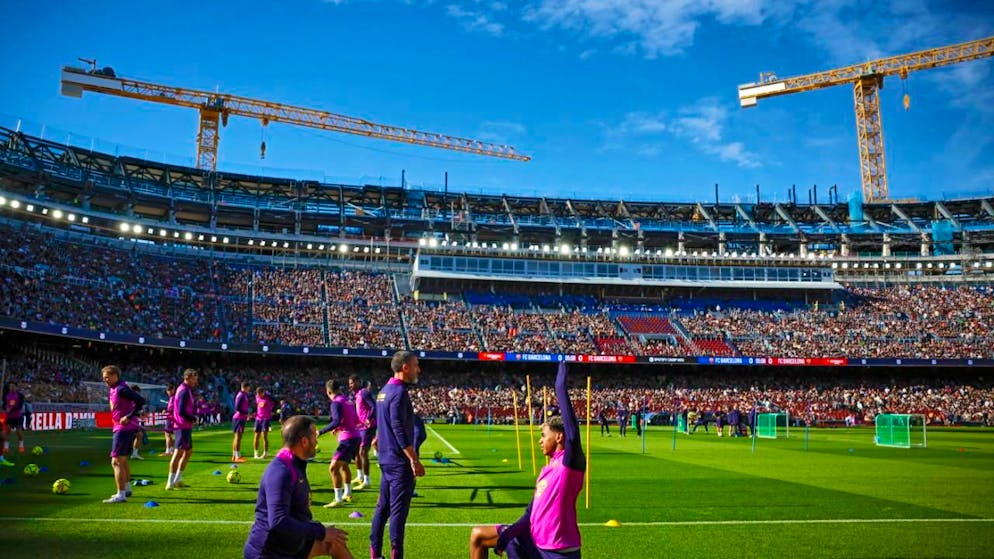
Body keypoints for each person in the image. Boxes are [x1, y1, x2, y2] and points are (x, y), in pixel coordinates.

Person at [470, 361, 585, 559]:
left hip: (558, 552)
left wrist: (560, 385)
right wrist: (507, 535)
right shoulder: (546, 470)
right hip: (534, 542)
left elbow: (573, 434)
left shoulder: (570, 464)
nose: (540, 440)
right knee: (478, 535)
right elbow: (530, 513)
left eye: (543, 435)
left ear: (558, 437)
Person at [243, 415, 355, 559]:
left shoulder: (295, 463)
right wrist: (320, 532)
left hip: (290, 543)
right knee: (327, 538)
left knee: (335, 543)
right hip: (270, 553)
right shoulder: (280, 472)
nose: (316, 441)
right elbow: (278, 521)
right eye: (314, 436)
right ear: (304, 441)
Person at [369, 351, 425, 559]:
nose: (419, 369)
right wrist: (414, 459)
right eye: (416, 365)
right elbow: (398, 428)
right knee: (398, 515)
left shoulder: (384, 390)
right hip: (399, 463)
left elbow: (384, 423)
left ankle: (374, 554)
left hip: (386, 460)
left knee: (382, 509)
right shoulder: (399, 392)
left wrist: (377, 437)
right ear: (405, 367)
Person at [101, 365, 146, 504]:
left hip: (123, 428)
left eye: (107, 377)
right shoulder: (115, 388)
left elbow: (140, 400)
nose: (105, 380)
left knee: (116, 461)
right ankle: (126, 489)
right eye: (104, 378)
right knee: (123, 459)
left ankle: (121, 495)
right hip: (124, 427)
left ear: (115, 376)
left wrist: (129, 415)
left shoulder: (121, 389)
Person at [319, 379, 361, 508]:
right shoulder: (347, 400)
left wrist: (321, 431)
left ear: (328, 391)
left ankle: (338, 499)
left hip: (348, 438)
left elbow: (336, 421)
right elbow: (353, 419)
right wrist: (339, 428)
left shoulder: (335, 403)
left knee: (333, 468)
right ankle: (347, 493)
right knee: (344, 465)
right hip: (356, 436)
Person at [167, 368, 198, 491]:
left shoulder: (187, 390)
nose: (196, 380)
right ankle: (170, 482)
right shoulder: (184, 390)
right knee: (178, 452)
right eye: (194, 378)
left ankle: (178, 479)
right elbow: (181, 410)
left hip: (184, 426)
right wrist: (192, 418)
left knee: (188, 451)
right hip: (181, 426)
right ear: (188, 378)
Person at [351, 376, 376, 490]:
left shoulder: (364, 392)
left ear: (358, 382)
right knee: (357, 451)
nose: (350, 385)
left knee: (363, 452)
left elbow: (374, 406)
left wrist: (368, 418)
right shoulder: (357, 395)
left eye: (352, 383)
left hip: (368, 426)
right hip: (361, 426)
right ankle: (360, 476)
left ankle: (367, 480)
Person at [3, 381, 26, 454]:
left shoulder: (20, 395)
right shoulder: (6, 395)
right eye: (10, 386)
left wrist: (11, 409)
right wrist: (5, 408)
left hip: (17, 416)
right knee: (7, 431)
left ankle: (21, 446)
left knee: (18, 432)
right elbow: (4, 404)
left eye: (13, 386)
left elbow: (20, 406)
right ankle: (6, 448)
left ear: (16, 387)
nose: (11, 388)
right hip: (9, 417)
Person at [232, 381, 252, 463]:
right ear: (245, 387)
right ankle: (237, 456)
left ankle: (235, 455)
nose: (249, 389)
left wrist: (246, 414)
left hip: (241, 418)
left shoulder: (244, 395)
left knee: (238, 437)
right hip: (239, 418)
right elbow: (237, 407)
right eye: (248, 388)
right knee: (238, 437)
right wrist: (246, 414)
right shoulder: (241, 395)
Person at [255, 387, 275, 459]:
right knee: (256, 436)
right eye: (258, 394)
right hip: (258, 418)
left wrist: (272, 410)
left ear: (263, 392)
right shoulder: (256, 396)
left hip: (266, 419)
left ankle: (265, 453)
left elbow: (275, 401)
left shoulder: (269, 397)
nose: (258, 395)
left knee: (264, 436)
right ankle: (256, 453)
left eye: (260, 394)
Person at [160, 384, 176, 456]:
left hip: (171, 418)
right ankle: (172, 450)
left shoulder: (173, 398)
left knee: (167, 435)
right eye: (167, 390)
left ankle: (168, 451)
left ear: (173, 390)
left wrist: (166, 411)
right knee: (169, 435)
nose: (168, 392)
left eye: (170, 390)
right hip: (172, 418)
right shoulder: (172, 398)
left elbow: (172, 409)